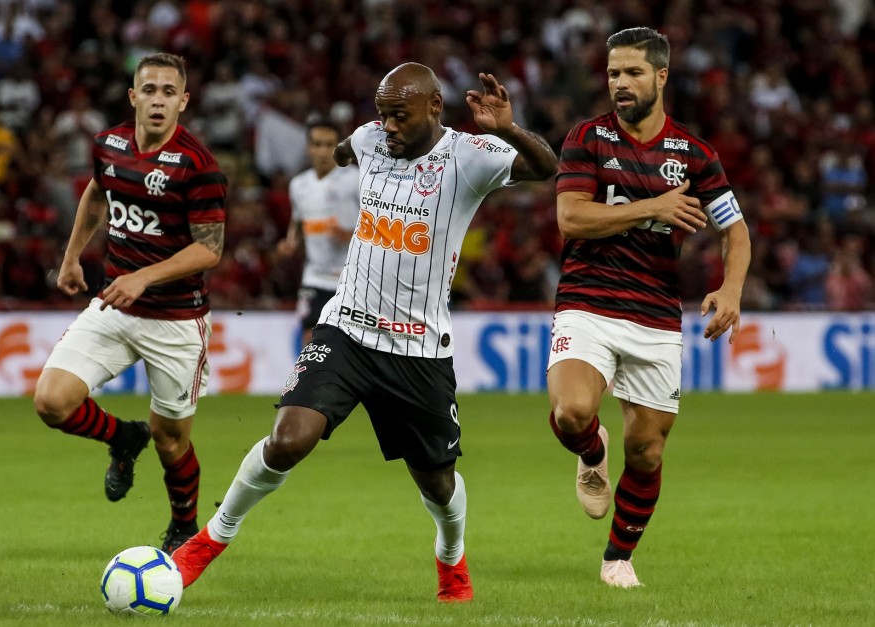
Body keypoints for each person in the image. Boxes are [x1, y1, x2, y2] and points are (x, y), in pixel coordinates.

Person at [171, 62, 557, 602]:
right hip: (346, 328)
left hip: (418, 351)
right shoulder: (370, 139)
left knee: (438, 484)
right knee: (288, 439)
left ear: (433, 108)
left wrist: (509, 129)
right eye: (382, 115)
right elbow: (350, 150)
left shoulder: (470, 155)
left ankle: (451, 555)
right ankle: (208, 543)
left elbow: (546, 169)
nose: (388, 127)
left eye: (399, 116)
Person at [547, 27, 751, 588]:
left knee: (647, 450)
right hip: (587, 302)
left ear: (661, 76)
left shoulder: (695, 155)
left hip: (656, 315)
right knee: (571, 414)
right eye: (613, 73)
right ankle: (591, 452)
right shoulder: (586, 138)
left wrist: (731, 290)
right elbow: (571, 219)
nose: (619, 83)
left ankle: (618, 559)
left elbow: (737, 232)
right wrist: (653, 207)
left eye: (632, 72)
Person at [32, 52, 228, 553]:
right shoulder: (109, 145)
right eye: (150, 90)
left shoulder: (199, 166)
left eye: (169, 92)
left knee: (171, 441)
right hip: (115, 306)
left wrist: (144, 277)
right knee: (51, 403)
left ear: (183, 102)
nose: (158, 100)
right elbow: (98, 193)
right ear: (133, 96)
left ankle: (184, 524)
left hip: (177, 320)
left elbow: (209, 248)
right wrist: (72, 256)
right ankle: (121, 438)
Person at [277, 118, 360, 346]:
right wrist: (290, 243)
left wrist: (350, 234)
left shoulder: (355, 179)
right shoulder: (299, 185)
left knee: (349, 343)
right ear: (308, 147)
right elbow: (297, 223)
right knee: (309, 338)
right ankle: (311, 381)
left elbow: (379, 223)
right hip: (314, 276)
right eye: (317, 144)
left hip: (351, 278)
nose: (323, 151)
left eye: (329, 144)